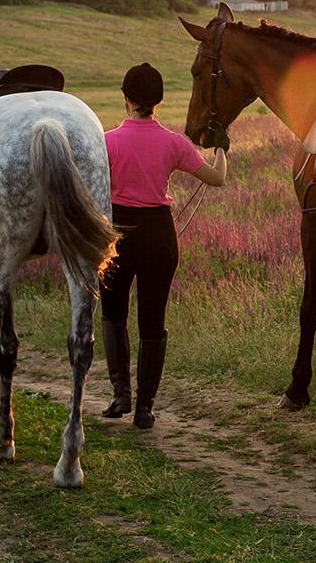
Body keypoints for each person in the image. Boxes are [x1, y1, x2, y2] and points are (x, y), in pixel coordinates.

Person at [101, 62, 227, 429]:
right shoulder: (173, 142)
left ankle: (120, 395)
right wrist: (221, 148)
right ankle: (145, 408)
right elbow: (216, 178)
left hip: (118, 233)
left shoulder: (107, 141)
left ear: (126, 99)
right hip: (159, 234)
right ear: (158, 100)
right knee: (153, 321)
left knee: (112, 313)